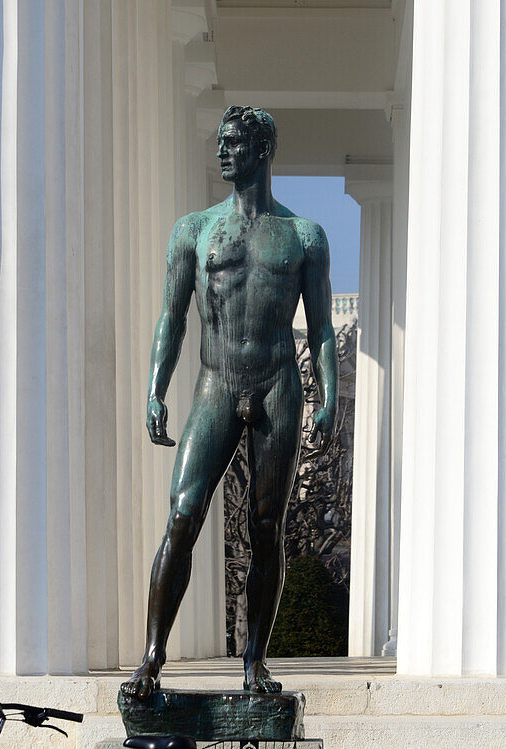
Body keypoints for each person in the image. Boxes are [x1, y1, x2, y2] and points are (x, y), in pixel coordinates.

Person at [121, 105, 337, 699]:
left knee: (266, 529)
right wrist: (154, 387)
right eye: (220, 141)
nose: (223, 151)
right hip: (216, 383)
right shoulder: (193, 230)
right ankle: (152, 655)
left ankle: (254, 662)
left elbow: (320, 328)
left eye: (235, 142)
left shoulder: (304, 236)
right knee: (183, 514)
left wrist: (329, 398)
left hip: (276, 386)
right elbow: (172, 318)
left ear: (263, 151)